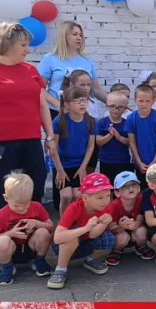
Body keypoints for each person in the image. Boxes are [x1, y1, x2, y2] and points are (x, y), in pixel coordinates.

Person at [0, 22, 57, 211]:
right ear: (7, 44)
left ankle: (34, 226)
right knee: (4, 194)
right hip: (0, 143)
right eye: (23, 45)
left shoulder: (30, 70)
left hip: (31, 140)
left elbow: (42, 104)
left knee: (37, 184)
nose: (28, 50)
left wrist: (50, 137)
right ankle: (5, 229)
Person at [47, 173, 114, 290]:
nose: (105, 201)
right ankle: (61, 268)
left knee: (109, 238)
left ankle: (90, 259)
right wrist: (86, 228)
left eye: (108, 196)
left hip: (86, 242)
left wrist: (103, 224)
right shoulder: (74, 208)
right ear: (85, 197)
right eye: (100, 198)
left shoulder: (106, 208)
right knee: (72, 235)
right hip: (63, 247)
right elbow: (57, 237)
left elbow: (93, 235)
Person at [0, 173, 54, 285]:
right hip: (11, 253)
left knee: (43, 232)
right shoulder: (1, 215)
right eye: (16, 205)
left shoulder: (37, 207)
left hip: (31, 248)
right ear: (6, 198)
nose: (22, 208)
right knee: (1, 241)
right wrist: (11, 233)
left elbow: (51, 227)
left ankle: (39, 260)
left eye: (26, 204)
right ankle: (7, 267)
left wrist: (36, 223)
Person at [38, 20, 107, 119]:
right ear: (64, 36)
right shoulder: (50, 59)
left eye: (81, 35)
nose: (79, 38)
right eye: (75, 34)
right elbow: (40, 89)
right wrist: (58, 104)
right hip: (57, 112)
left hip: (82, 112)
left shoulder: (87, 61)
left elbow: (96, 90)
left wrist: (115, 102)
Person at [51, 86, 97, 214]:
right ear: (67, 105)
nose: (82, 103)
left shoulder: (91, 122)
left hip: (79, 165)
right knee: (66, 195)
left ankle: (76, 220)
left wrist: (83, 168)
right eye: (77, 101)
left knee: (78, 195)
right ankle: (63, 223)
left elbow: (90, 146)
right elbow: (53, 148)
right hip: (62, 165)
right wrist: (60, 171)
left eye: (84, 100)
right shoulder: (59, 121)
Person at [105, 171, 154, 265]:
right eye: (125, 186)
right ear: (117, 192)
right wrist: (121, 227)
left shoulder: (141, 199)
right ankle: (116, 250)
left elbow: (140, 216)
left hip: (135, 229)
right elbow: (110, 227)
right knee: (122, 237)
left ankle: (141, 246)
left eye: (133, 184)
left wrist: (136, 224)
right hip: (120, 232)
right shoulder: (114, 206)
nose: (130, 188)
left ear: (139, 188)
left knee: (142, 231)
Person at [126, 84, 156, 187]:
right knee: (144, 190)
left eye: (147, 101)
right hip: (142, 164)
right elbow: (132, 142)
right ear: (135, 100)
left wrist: (154, 162)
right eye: (141, 101)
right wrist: (139, 162)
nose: (144, 104)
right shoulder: (131, 119)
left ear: (153, 101)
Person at [95, 92, 132, 185]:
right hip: (106, 161)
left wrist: (119, 137)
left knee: (123, 185)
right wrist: (110, 135)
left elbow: (131, 142)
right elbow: (98, 142)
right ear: (107, 106)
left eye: (120, 107)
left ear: (125, 108)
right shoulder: (101, 123)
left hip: (123, 160)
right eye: (112, 106)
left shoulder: (127, 123)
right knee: (108, 186)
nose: (116, 110)